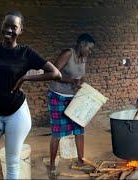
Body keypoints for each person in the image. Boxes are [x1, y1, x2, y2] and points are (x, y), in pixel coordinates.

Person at [0, 10, 62, 179]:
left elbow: (56, 73)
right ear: (1, 26)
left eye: (14, 27)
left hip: (17, 115)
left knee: (12, 162)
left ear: (20, 30)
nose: (9, 30)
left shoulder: (26, 53)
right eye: (6, 25)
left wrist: (27, 77)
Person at [47, 33, 95, 178]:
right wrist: (72, 81)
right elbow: (53, 73)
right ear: (82, 44)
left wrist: (83, 84)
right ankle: (52, 165)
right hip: (58, 97)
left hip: (74, 97)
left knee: (79, 129)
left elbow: (81, 76)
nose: (90, 52)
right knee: (57, 132)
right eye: (89, 48)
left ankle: (81, 161)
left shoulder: (83, 58)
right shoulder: (68, 53)